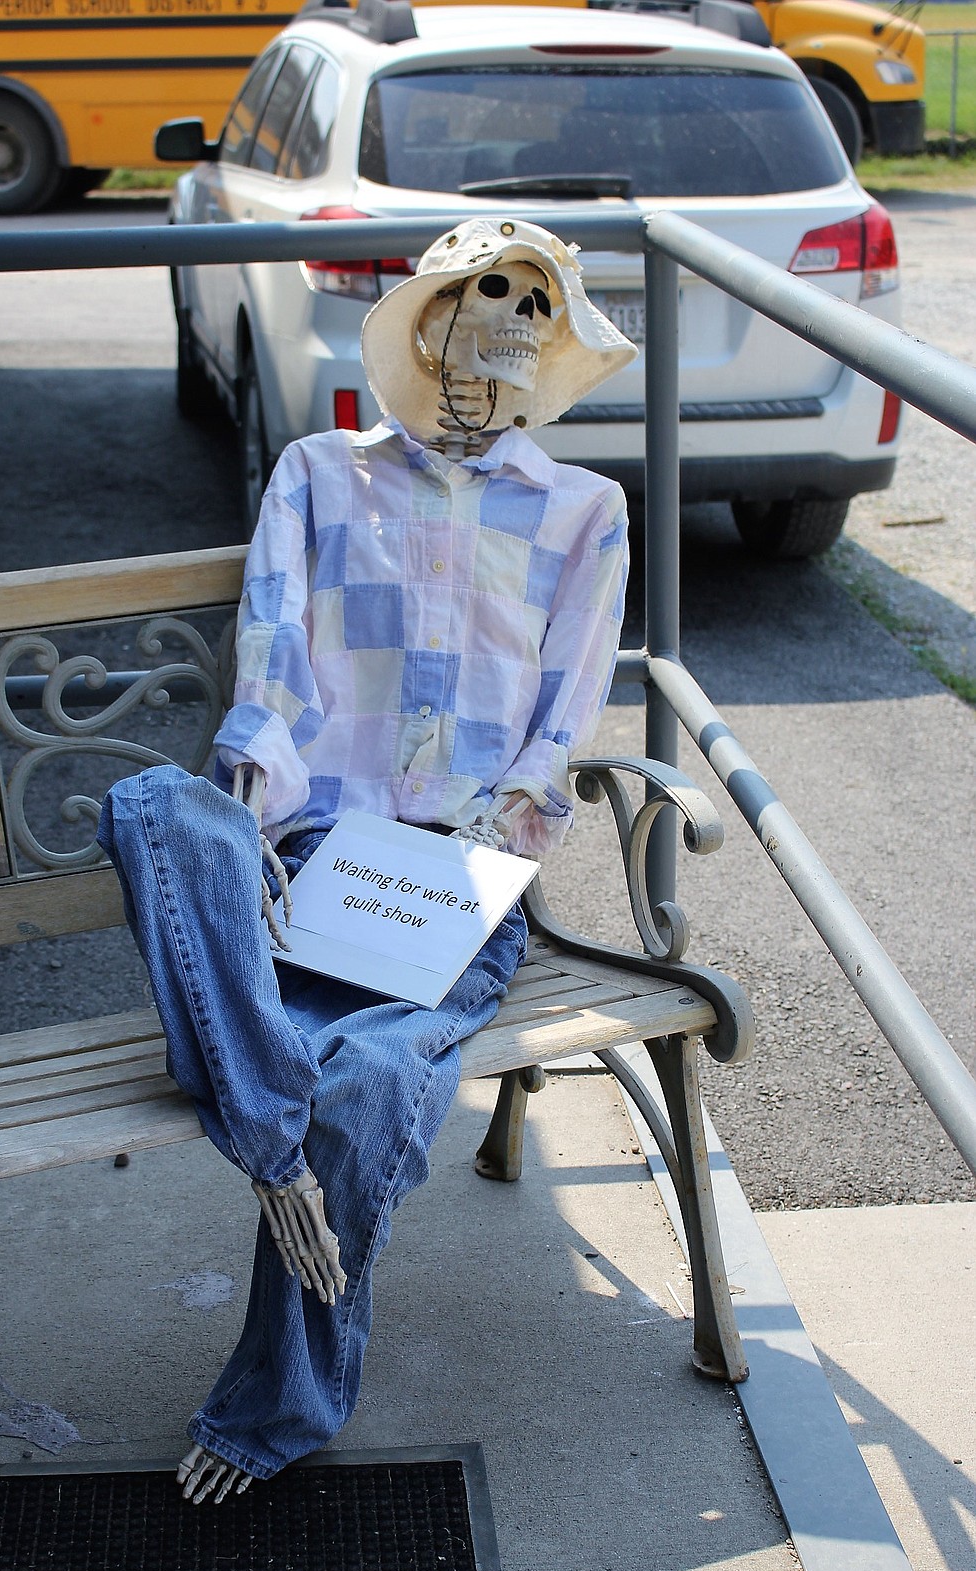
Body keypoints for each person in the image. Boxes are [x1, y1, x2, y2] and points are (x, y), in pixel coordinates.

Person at [96, 219, 637, 1503]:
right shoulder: (318, 474)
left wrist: (480, 845)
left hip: (455, 877)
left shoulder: (585, 515)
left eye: (529, 310)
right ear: (423, 319)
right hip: (302, 855)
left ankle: (274, 1400)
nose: (496, 330)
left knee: (375, 1077)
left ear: (552, 350)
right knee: (158, 806)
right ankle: (273, 1137)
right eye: (473, 297)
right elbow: (272, 667)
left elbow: (560, 727)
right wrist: (255, 815)